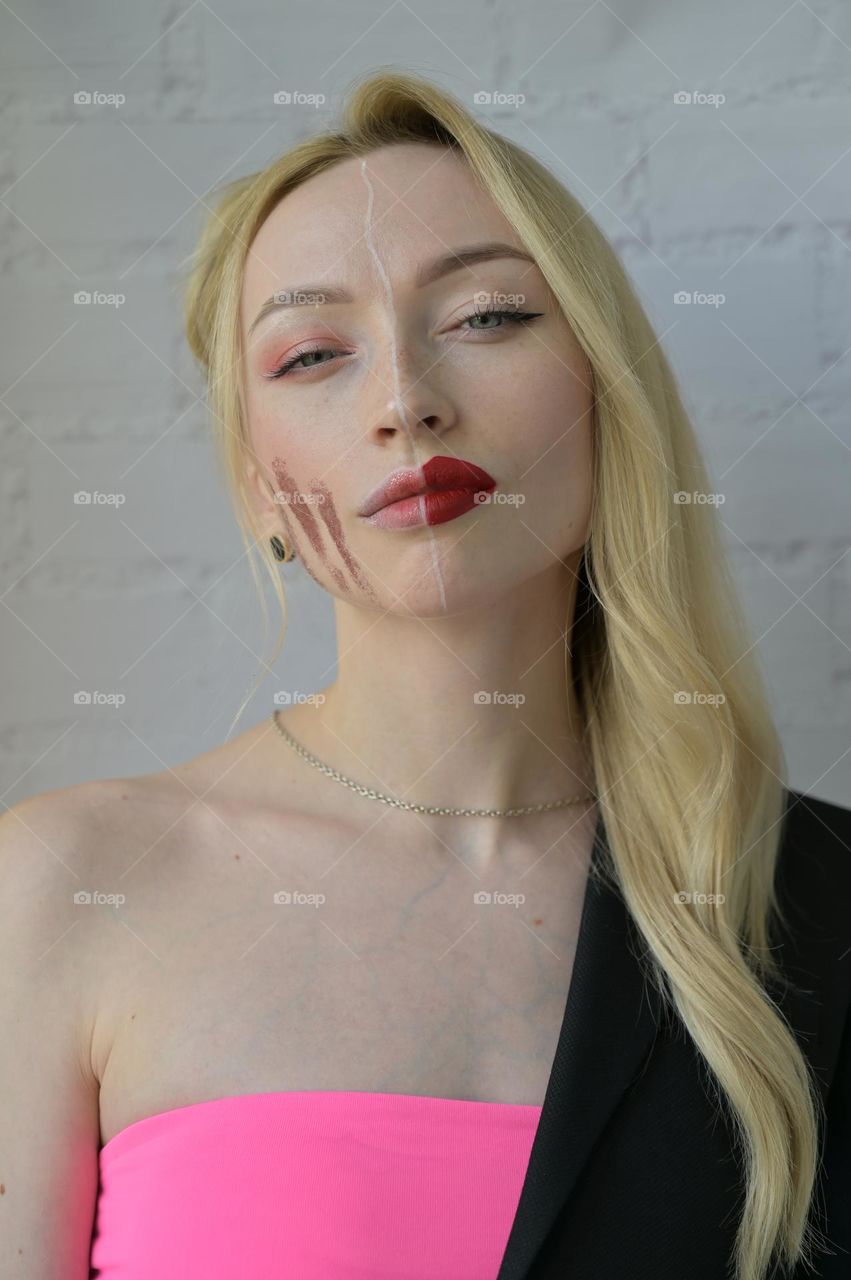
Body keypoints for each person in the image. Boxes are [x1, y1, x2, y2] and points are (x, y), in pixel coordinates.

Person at [1, 71, 848, 1280]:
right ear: (258, 481)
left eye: (488, 316)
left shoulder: (817, 904)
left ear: (605, 389)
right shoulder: (66, 884)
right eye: (308, 354)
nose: (405, 400)